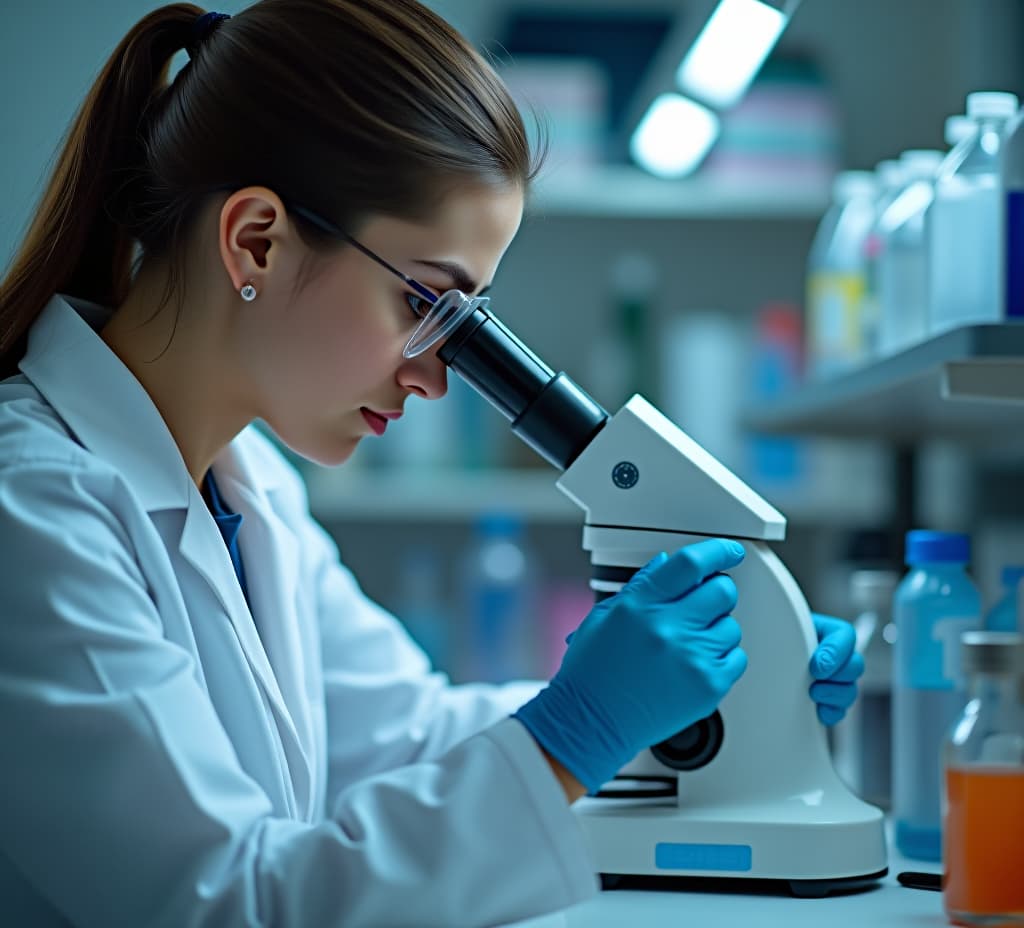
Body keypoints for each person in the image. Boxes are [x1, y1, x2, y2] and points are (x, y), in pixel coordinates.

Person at [0, 3, 864, 926]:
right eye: (428, 302)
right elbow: (229, 905)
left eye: (467, 324)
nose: (435, 377)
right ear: (255, 239)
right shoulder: (33, 512)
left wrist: (695, 689)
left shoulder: (254, 491)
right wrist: (582, 727)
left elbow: (403, 735)